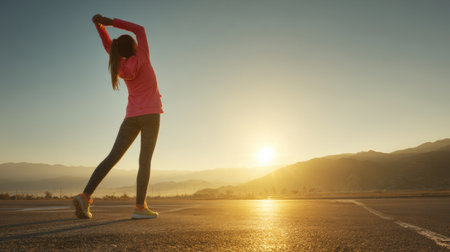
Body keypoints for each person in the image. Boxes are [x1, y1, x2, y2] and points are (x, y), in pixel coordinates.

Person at [73, 14, 163, 219]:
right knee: (144, 161)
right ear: (134, 47)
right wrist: (110, 21)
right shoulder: (143, 55)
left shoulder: (119, 65)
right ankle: (140, 208)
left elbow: (109, 47)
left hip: (131, 117)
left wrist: (100, 27)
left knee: (112, 157)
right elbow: (140, 29)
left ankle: (85, 196)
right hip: (151, 115)